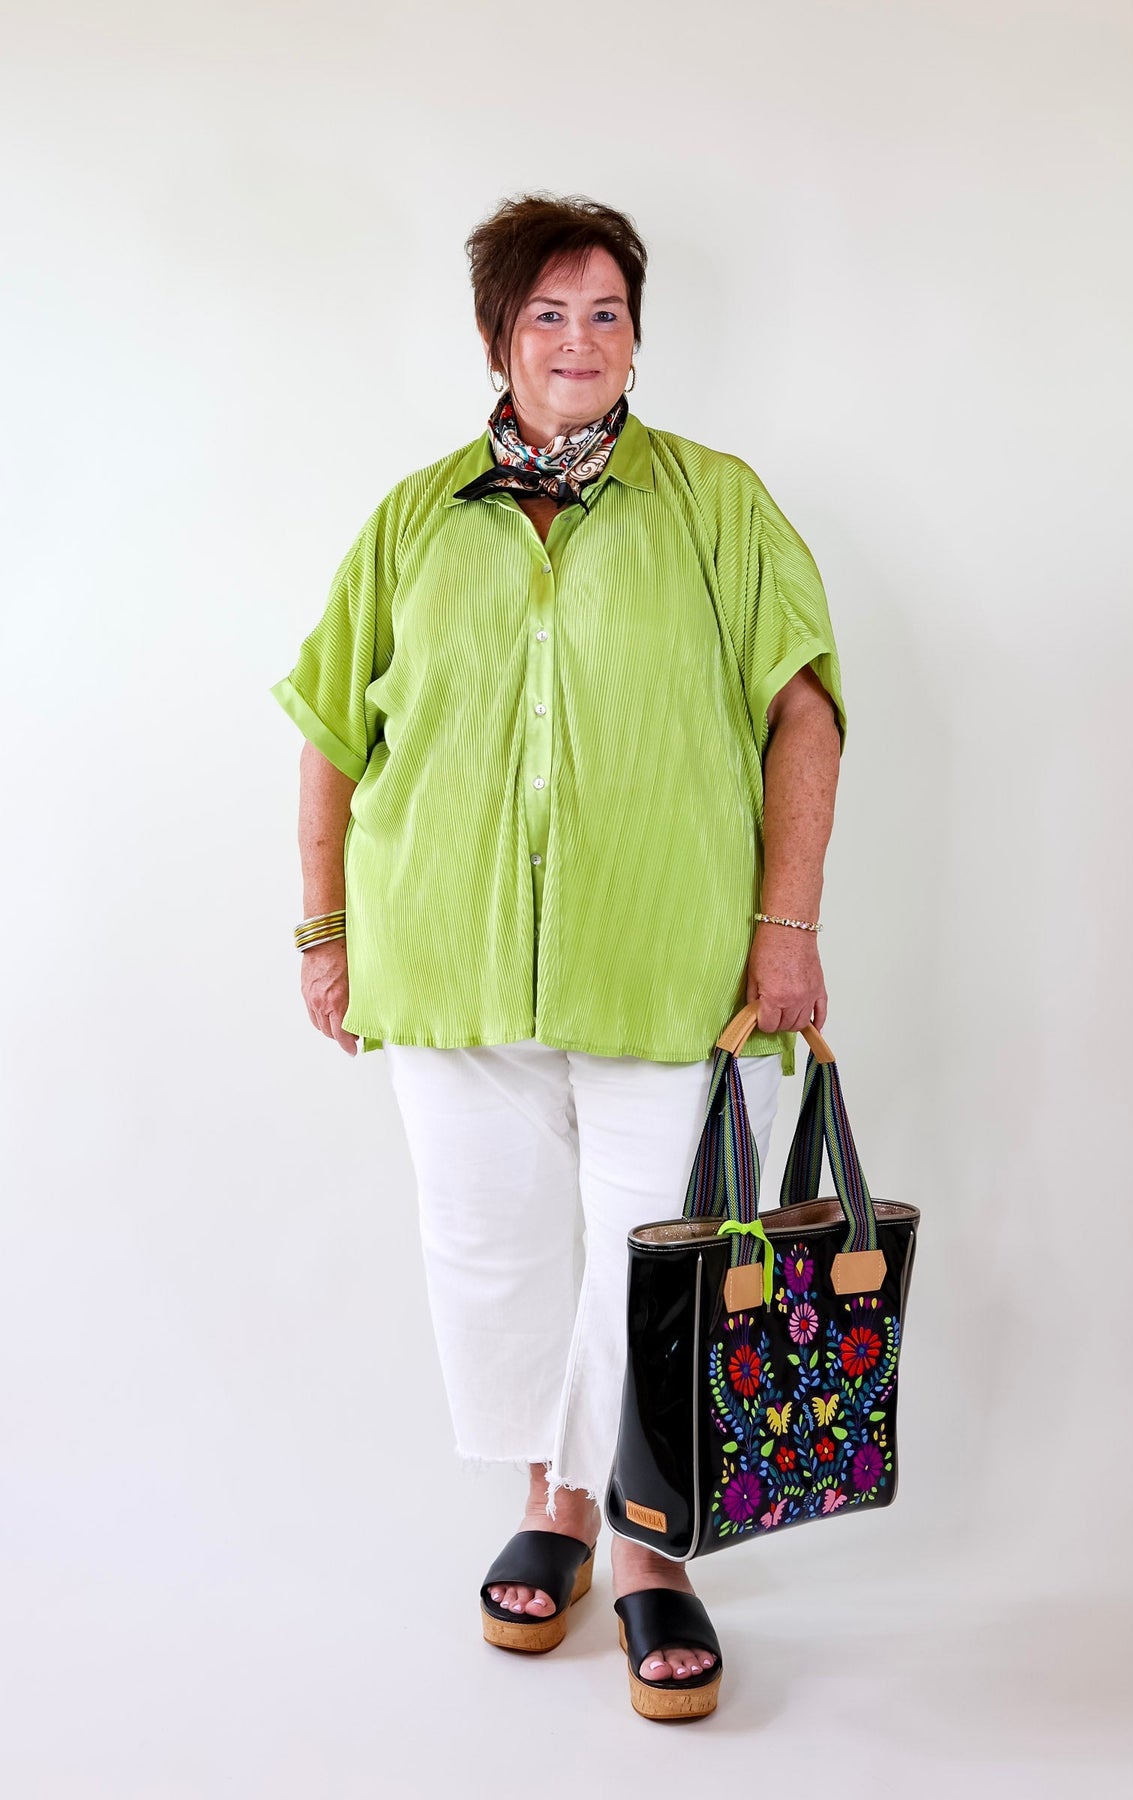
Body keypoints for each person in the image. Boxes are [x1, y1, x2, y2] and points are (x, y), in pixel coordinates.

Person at [270, 192, 846, 1722]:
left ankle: (652, 1545)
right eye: (546, 314)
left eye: (605, 313)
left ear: (637, 338)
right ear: (497, 339)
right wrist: (326, 930)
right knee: (496, 1252)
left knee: (662, 1260)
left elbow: (803, 711)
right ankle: (560, 1504)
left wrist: (786, 927)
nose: (578, 341)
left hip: (670, 966)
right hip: (447, 958)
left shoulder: (717, 504)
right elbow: (331, 731)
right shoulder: (415, 517)